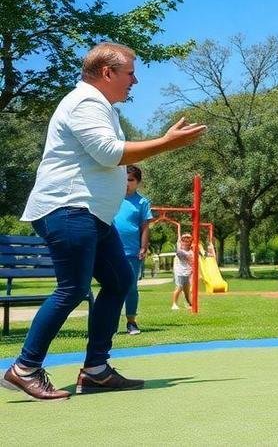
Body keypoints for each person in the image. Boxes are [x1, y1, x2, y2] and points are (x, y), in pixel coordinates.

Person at [3, 42, 206, 401]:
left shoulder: (103, 108)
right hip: (67, 208)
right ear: (108, 73)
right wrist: (167, 143)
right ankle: (24, 368)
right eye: (130, 73)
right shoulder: (84, 103)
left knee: (119, 281)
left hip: (92, 214)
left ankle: (96, 369)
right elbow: (109, 154)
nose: (136, 81)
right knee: (73, 288)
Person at [114, 164, 153, 335]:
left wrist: (143, 247)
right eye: (124, 180)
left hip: (132, 251)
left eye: (130, 180)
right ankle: (110, 323)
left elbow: (145, 227)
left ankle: (131, 322)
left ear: (138, 182)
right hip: (111, 250)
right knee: (112, 287)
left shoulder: (142, 202)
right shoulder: (111, 197)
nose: (126, 183)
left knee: (131, 287)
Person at [170, 232, 195, 310]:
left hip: (187, 272)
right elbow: (182, 255)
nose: (187, 241)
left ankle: (190, 304)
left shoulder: (191, 251)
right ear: (182, 241)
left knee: (187, 290)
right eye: (185, 239)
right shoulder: (180, 251)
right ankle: (174, 304)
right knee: (179, 287)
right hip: (180, 272)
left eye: (189, 239)